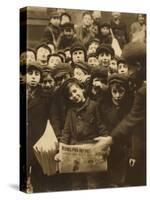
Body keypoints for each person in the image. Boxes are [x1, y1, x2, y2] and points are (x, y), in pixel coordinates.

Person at [94, 41, 146, 186]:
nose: (127, 73)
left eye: (128, 68)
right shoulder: (141, 84)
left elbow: (133, 118)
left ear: (138, 66)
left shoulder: (144, 90)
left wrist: (110, 139)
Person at [59, 78, 109, 189]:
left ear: (82, 89)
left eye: (75, 91)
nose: (74, 96)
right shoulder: (70, 111)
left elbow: (101, 126)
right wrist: (60, 151)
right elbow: (66, 133)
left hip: (91, 149)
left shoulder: (94, 106)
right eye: (70, 95)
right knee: (76, 183)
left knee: (93, 183)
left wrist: (106, 143)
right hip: (75, 151)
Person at [98, 73, 133, 186]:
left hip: (125, 149)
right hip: (109, 149)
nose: (118, 95)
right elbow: (101, 126)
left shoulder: (130, 107)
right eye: (114, 92)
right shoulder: (103, 107)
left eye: (121, 92)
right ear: (110, 91)